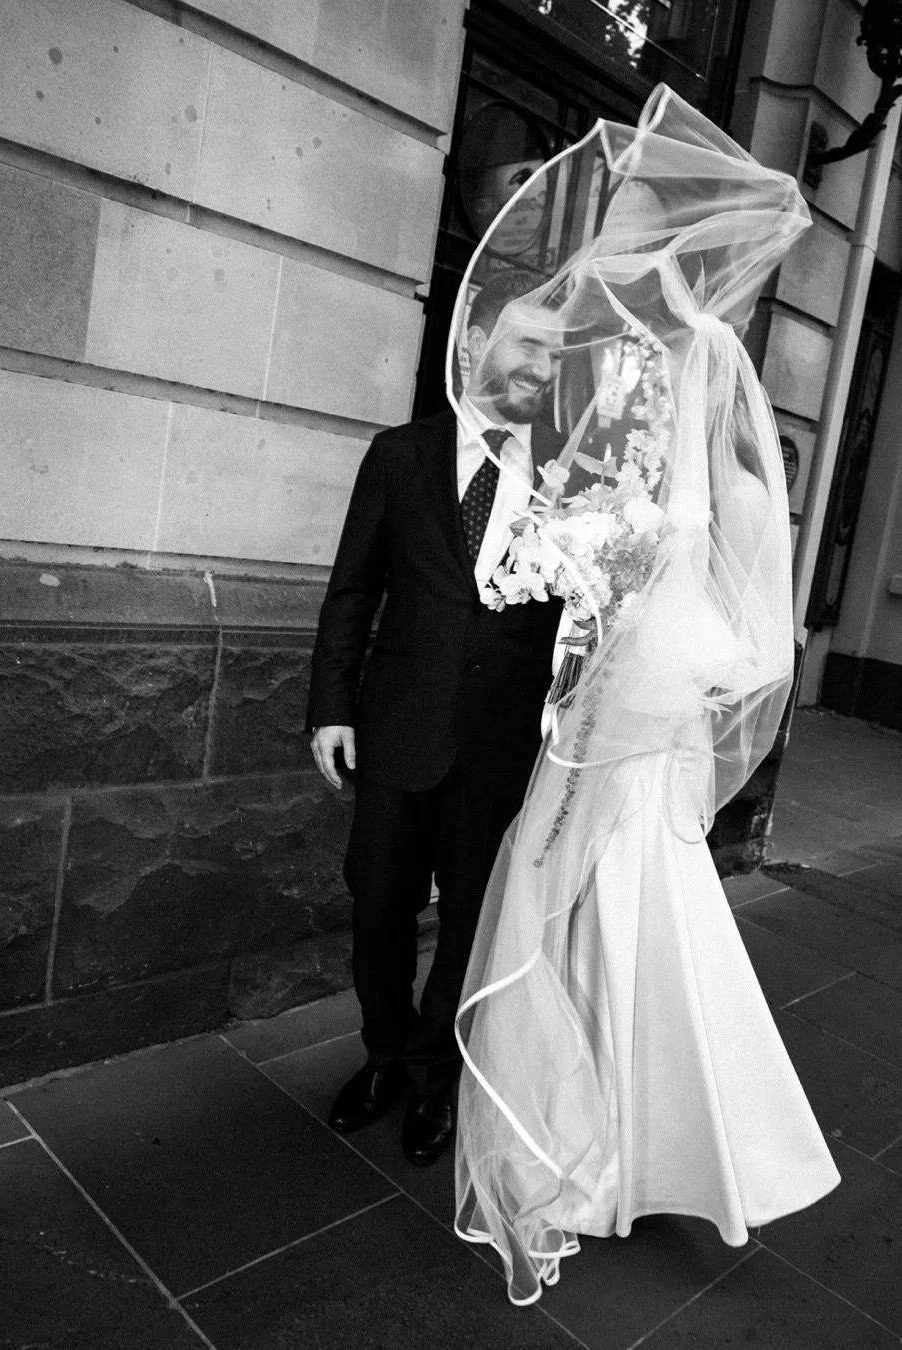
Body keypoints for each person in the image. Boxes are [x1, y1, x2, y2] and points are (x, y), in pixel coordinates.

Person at [450, 86, 841, 1305]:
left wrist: (649, 609)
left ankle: (620, 1151)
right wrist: (583, 566)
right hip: (611, 678)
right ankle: (625, 1150)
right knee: (603, 903)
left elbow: (747, 588)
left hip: (645, 689)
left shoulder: (714, 411)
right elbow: (571, 523)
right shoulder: (618, 393)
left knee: (601, 894)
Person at [305, 270, 564, 1166]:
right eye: (529, 343)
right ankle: (381, 1054)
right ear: (475, 344)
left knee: (471, 919)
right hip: (396, 726)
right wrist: (330, 706)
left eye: (555, 352)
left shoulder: (571, 481)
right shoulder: (399, 454)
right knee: (378, 899)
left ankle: (433, 1072)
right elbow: (353, 589)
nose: (544, 365)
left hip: (505, 740)